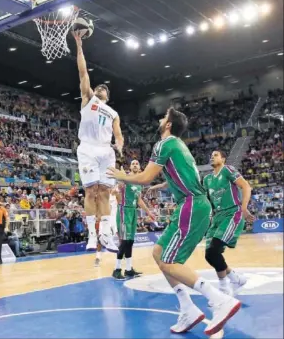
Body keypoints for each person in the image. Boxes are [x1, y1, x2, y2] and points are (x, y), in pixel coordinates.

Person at [106, 107, 241, 336]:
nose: (160, 119)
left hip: (191, 205)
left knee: (169, 262)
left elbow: (146, 177)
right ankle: (187, 308)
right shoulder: (180, 146)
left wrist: (122, 176)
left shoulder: (165, 143)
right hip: (191, 205)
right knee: (158, 253)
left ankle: (219, 299)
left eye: (163, 117)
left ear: (168, 125)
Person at [72, 30, 124, 253]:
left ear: (108, 97)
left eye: (105, 88)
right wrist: (79, 45)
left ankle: (104, 233)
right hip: (88, 149)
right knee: (91, 190)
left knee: (104, 191)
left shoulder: (113, 112)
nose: (101, 88)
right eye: (99, 86)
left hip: (106, 151)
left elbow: (119, 135)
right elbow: (83, 71)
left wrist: (120, 145)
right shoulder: (88, 98)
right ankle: (92, 236)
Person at [203, 150, 255, 296]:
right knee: (209, 255)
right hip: (217, 217)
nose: (212, 156)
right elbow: (207, 201)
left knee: (214, 250)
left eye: (216, 155)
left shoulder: (228, 170)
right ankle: (235, 278)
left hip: (232, 213)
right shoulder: (207, 179)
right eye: (211, 155)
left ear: (223, 159)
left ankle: (224, 288)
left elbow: (246, 186)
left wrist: (244, 208)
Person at [112, 160, 155, 280]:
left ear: (140, 167)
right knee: (124, 241)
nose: (135, 164)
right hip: (124, 210)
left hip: (133, 211)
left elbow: (139, 200)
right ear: (130, 167)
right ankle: (117, 269)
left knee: (130, 241)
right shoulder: (124, 179)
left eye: (137, 163)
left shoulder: (139, 182)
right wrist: (116, 190)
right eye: (133, 163)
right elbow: (114, 191)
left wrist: (149, 212)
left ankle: (129, 269)